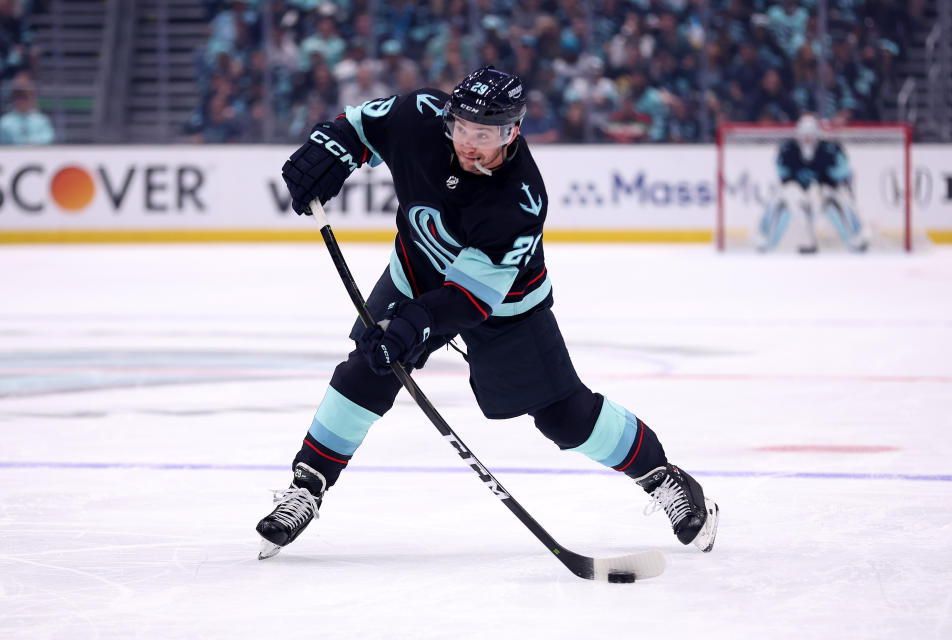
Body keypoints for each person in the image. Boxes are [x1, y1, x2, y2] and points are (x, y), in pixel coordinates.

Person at [256, 66, 719, 560]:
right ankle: (308, 485)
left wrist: (411, 324)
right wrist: (329, 150)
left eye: (486, 134)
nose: (469, 144)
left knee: (564, 416)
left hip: (506, 306)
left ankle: (660, 475)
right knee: (367, 369)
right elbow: (358, 127)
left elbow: (468, 300)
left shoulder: (519, 199)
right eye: (461, 128)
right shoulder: (420, 116)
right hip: (417, 269)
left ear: (512, 132)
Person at [757, 114, 867, 253]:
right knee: (779, 200)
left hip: (823, 192)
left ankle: (856, 237)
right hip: (797, 193)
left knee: (841, 200)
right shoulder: (788, 151)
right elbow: (783, 178)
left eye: (811, 135)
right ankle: (766, 238)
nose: (807, 140)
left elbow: (841, 173)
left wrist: (824, 186)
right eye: (804, 135)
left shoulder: (829, 151)